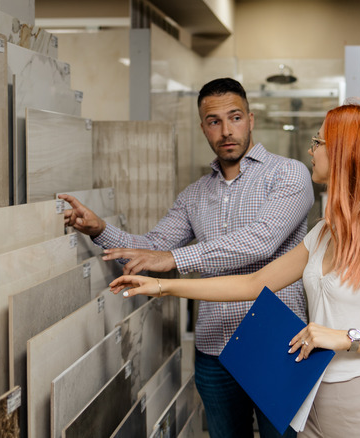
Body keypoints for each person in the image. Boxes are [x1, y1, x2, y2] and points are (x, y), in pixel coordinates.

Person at [109, 101, 360, 437]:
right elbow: (254, 283)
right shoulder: (325, 232)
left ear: (345, 153)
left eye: (318, 143)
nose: (311, 151)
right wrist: (163, 286)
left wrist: (345, 337)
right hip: (313, 398)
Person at [59, 77, 314, 438]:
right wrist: (100, 229)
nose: (226, 130)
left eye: (235, 117)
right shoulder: (195, 194)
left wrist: (174, 259)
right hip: (214, 352)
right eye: (214, 121)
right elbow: (152, 248)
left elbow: (261, 242)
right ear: (203, 128)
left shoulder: (289, 174)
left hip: (280, 345)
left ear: (251, 119)